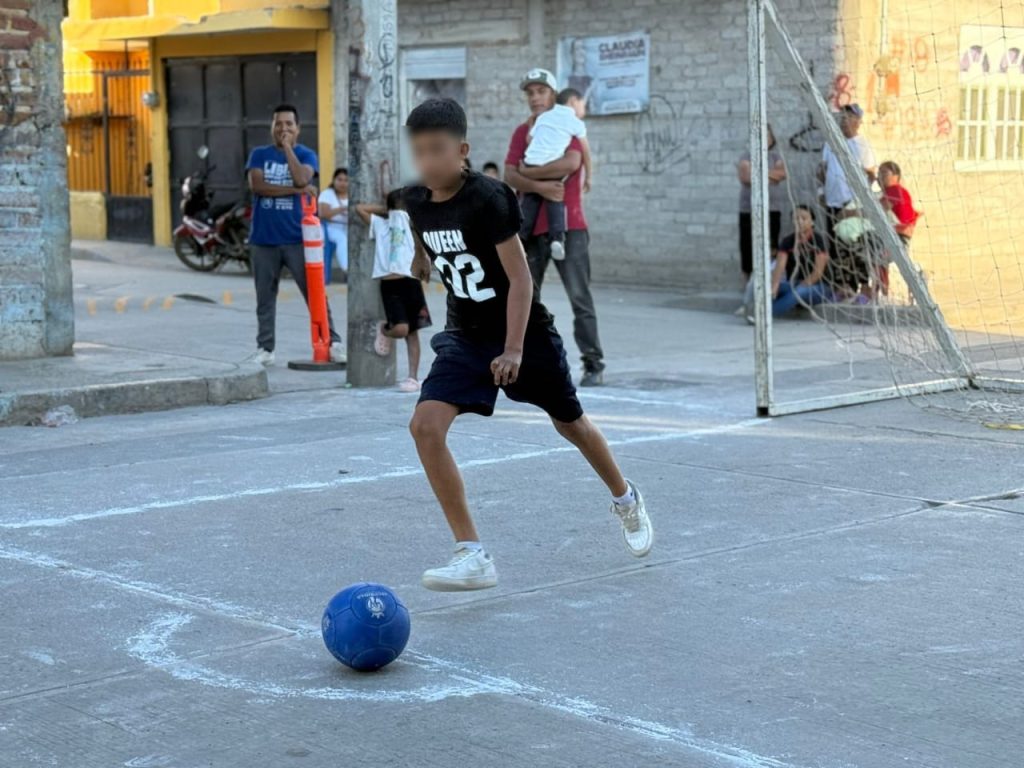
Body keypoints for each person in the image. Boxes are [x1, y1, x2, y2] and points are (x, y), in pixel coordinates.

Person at [402, 97, 653, 591]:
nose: (428, 161)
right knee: (424, 426)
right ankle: (472, 554)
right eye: (420, 151)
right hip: (466, 335)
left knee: (571, 424)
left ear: (462, 151)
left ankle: (626, 499)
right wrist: (420, 259)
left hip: (525, 334)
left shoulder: (489, 198)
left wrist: (514, 349)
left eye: (438, 150)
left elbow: (521, 279)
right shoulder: (415, 200)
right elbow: (420, 227)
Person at [505, 68, 606, 387]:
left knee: (579, 297)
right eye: (530, 93)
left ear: (553, 94)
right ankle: (528, 361)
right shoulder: (523, 131)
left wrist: (528, 176)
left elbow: (571, 163)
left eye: (541, 91)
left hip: (569, 225)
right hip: (531, 227)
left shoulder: (564, 122)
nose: (535, 98)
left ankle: (593, 363)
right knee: (526, 297)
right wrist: (542, 187)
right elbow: (509, 175)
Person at [245, 104, 344, 366]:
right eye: (278, 124)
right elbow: (258, 186)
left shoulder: (306, 154)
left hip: (298, 239)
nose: (283, 128)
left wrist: (288, 148)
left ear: (298, 128)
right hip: (263, 240)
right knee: (265, 298)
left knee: (315, 293)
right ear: (271, 127)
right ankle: (265, 349)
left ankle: (333, 342)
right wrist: (296, 191)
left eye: (289, 124)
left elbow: (302, 178)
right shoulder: (259, 154)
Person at [355, 190, 432, 393]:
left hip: (410, 281)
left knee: (413, 332)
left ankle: (413, 377)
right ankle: (384, 329)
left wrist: (406, 213)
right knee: (400, 329)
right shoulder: (381, 224)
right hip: (390, 284)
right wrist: (387, 210)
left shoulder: (412, 223)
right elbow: (359, 209)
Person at [517, 87, 592, 262]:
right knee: (555, 197)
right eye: (583, 105)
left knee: (529, 202)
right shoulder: (575, 122)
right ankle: (557, 239)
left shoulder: (544, 117)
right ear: (573, 101)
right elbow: (586, 152)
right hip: (550, 166)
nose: (584, 109)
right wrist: (588, 176)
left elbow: (529, 140)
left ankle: (520, 238)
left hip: (530, 162)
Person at [736, 125, 787, 286]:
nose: (764, 138)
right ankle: (748, 284)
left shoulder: (775, 156)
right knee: (747, 246)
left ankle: (769, 283)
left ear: (771, 139)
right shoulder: (746, 155)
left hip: (772, 208)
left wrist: (757, 172)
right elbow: (746, 177)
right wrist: (771, 175)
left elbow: (782, 174)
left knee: (771, 244)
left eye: (767, 135)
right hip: (749, 209)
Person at [766, 205, 834, 317]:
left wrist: (800, 286)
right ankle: (753, 308)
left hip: (819, 287)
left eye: (804, 218)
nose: (800, 221)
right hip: (796, 283)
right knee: (766, 288)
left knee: (798, 292)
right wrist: (774, 286)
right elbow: (780, 267)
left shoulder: (818, 240)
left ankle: (765, 315)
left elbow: (817, 273)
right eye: (796, 218)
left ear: (812, 222)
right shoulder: (788, 241)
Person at [318, 167, 349, 284]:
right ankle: (347, 269)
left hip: (347, 227)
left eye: (346, 180)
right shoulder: (327, 194)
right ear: (334, 180)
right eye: (339, 180)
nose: (343, 183)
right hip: (329, 228)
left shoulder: (353, 194)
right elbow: (323, 214)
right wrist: (341, 209)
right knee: (342, 238)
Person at [878, 160, 919, 244]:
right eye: (879, 173)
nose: (880, 176)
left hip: (896, 236)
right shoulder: (891, 192)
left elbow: (876, 210)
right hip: (896, 235)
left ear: (895, 176)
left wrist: (852, 213)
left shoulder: (895, 190)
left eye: (884, 173)